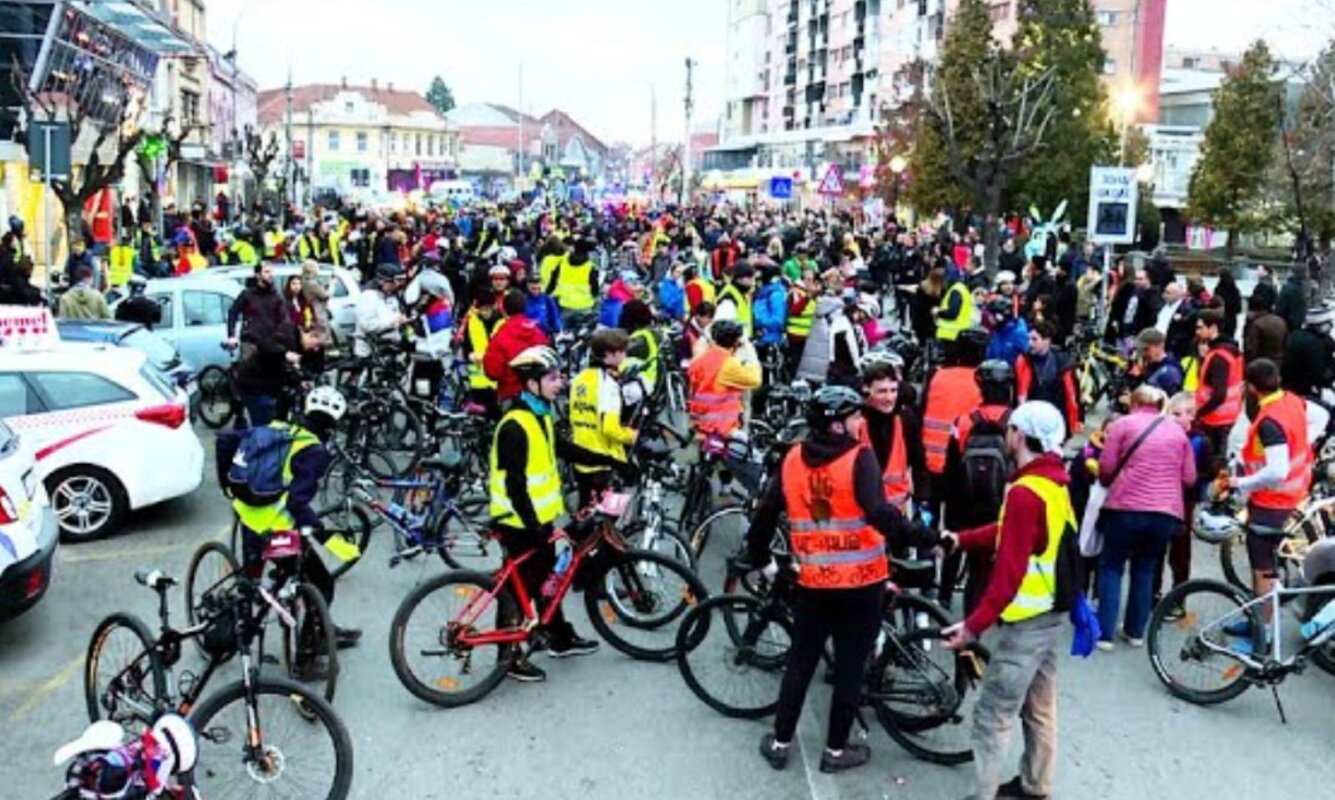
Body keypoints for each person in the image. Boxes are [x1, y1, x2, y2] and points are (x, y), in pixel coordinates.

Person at [748, 386, 938, 774]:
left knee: (800, 664)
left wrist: (763, 560)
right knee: (850, 668)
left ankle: (781, 743)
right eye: (854, 417)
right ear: (837, 424)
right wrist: (927, 538)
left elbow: (765, 514)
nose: (860, 422)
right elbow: (881, 515)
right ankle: (835, 751)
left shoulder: (792, 459)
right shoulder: (859, 458)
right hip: (863, 584)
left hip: (814, 583)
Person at [940, 401, 1073, 800]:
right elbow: (1010, 532)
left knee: (992, 716)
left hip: (1026, 623)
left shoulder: (1024, 493)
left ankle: (983, 795)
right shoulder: (1052, 483)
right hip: (1051, 614)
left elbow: (1009, 572)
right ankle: (1035, 786)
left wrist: (971, 626)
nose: (1006, 436)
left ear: (1018, 435)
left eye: (1010, 429)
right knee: (1039, 709)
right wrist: (961, 539)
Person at [222, 387, 362, 678]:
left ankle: (247, 613)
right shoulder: (313, 451)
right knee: (320, 582)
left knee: (251, 578)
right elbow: (298, 502)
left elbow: (228, 441)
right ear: (334, 423)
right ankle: (306, 659)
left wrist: (227, 486)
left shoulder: (278, 426)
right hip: (276, 527)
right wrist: (323, 533)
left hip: (247, 515)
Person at [490, 346, 602, 682]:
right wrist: (534, 525)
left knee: (547, 579)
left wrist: (608, 461)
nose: (560, 382)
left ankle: (557, 634)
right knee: (518, 587)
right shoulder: (514, 425)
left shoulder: (540, 415)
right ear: (532, 383)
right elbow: (515, 485)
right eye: (552, 377)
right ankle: (507, 657)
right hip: (518, 522)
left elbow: (562, 448)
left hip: (537, 519)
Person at [1094, 386, 1196, 650]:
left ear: (1134, 402)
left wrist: (1111, 481)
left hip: (1125, 507)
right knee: (1146, 567)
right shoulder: (1177, 432)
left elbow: (1105, 468)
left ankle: (1105, 633)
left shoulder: (1121, 425)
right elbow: (1189, 478)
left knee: (1112, 566)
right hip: (1165, 513)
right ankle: (1135, 631)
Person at [1226, 359, 1312, 643]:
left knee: (1262, 568)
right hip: (1291, 494)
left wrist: (1242, 483)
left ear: (1251, 387)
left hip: (1272, 500)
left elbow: (1276, 470)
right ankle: (1257, 620)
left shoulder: (1270, 421)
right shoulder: (1292, 401)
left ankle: (1262, 631)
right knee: (1265, 564)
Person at [939, 360, 1015, 614]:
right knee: (991, 555)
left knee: (956, 544)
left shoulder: (963, 421)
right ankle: (996, 605)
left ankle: (945, 596)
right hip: (1000, 498)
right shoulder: (1017, 421)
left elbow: (951, 464)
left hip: (964, 497)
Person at [569, 329, 639, 507]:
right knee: (608, 517)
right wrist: (632, 436)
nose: (624, 355)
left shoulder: (579, 379)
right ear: (609, 355)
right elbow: (609, 428)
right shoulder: (608, 385)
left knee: (585, 510)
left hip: (581, 454)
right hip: (603, 459)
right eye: (621, 351)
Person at [921, 328, 988, 506]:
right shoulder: (983, 382)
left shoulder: (936, 376)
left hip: (931, 460)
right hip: (963, 462)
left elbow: (922, 411)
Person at [857, 355, 925, 517]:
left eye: (893, 390)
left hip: (895, 516)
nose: (889, 398)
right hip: (864, 515)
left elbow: (919, 462)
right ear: (866, 389)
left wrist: (922, 500)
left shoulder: (905, 420)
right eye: (882, 391)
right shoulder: (856, 423)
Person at [687, 320, 761, 440]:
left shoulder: (699, 361)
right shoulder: (729, 364)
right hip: (723, 430)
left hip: (700, 425)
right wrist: (751, 359)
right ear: (735, 342)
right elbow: (755, 380)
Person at [484, 290, 553, 404]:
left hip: (510, 394)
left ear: (504, 309)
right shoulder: (538, 332)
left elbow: (492, 371)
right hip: (537, 394)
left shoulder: (501, 335)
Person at [1015, 322, 1080, 441]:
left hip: (1054, 418)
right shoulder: (1024, 361)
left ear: (1047, 341)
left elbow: (1072, 394)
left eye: (1035, 339)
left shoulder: (1062, 363)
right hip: (1031, 419)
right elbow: (1017, 390)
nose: (1030, 343)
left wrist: (1076, 420)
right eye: (1029, 339)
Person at [1192, 309, 1244, 460]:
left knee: (1214, 462)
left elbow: (1219, 394)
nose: (1197, 331)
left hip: (1215, 420)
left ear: (1213, 328)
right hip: (1227, 416)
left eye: (1200, 327)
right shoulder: (1231, 350)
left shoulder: (1218, 357)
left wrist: (1198, 413)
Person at [1280, 304, 1335, 399]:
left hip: (1286, 388)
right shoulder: (1314, 344)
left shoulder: (1295, 334)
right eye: (1328, 323)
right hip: (1303, 392)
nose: (1330, 326)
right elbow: (1320, 377)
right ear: (1319, 325)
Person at [354, 263, 407, 357]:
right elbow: (367, 325)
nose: (397, 285)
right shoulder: (369, 297)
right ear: (383, 281)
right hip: (373, 351)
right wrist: (393, 321)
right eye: (395, 281)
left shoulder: (391, 297)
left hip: (391, 346)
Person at [547, 237, 598, 325]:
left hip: (565, 305)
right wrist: (594, 296)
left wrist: (547, 294)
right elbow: (595, 287)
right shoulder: (590, 266)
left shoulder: (562, 262)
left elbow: (552, 281)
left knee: (563, 334)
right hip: (585, 305)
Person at [1132, 328, 1184, 397]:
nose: (1144, 354)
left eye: (1146, 349)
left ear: (1159, 346)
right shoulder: (1150, 366)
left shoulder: (1170, 370)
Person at [1243, 291, 1287, 369]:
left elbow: (1251, 350)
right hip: (1280, 362)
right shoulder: (1280, 321)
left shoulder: (1256, 325)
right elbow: (1286, 343)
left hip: (1262, 366)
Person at [716, 262, 756, 338]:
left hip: (743, 342)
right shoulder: (729, 297)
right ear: (739, 279)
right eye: (749, 277)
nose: (753, 281)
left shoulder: (743, 294)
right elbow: (722, 326)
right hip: (733, 344)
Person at [935, 271, 974, 342]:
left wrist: (938, 312)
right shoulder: (963, 289)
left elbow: (952, 313)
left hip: (950, 333)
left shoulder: (956, 291)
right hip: (959, 331)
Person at [523, 272, 563, 337]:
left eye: (539, 288)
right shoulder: (523, 300)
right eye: (533, 289)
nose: (536, 291)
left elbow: (554, 317)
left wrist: (557, 330)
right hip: (528, 334)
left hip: (545, 335)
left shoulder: (547, 299)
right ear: (528, 286)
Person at [1275, 263, 1308, 333]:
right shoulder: (1304, 287)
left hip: (1286, 323)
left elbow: (1280, 308)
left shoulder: (1288, 288)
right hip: (1298, 322)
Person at [1215, 267, 1243, 338]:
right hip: (1232, 319)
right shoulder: (1235, 290)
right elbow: (1238, 308)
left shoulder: (1218, 290)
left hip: (1221, 318)